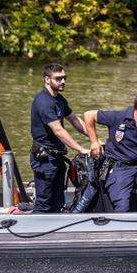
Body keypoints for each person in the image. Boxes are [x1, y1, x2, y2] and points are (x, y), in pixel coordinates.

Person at [29, 63, 97, 213]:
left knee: (58, 201)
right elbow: (58, 130)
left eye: (64, 78)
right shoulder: (44, 102)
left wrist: (94, 140)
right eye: (58, 78)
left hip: (57, 157)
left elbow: (75, 120)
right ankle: (34, 233)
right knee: (43, 203)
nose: (63, 81)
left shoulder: (58, 99)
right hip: (45, 160)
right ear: (47, 79)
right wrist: (80, 149)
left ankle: (54, 233)